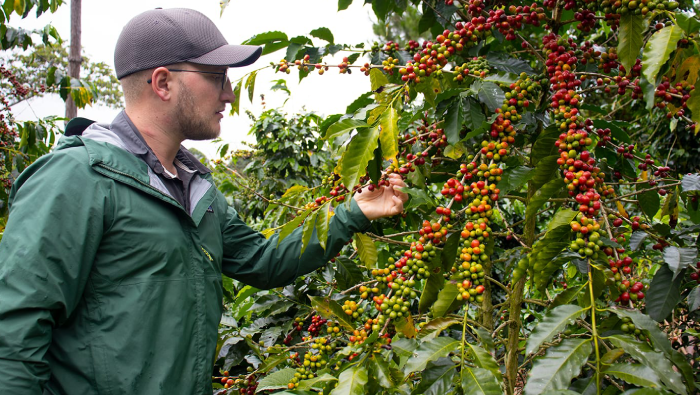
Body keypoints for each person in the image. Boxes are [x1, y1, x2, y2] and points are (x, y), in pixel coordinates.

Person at [0, 8, 407, 394]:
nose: (229, 94)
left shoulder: (196, 189)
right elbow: (14, 330)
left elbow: (264, 261)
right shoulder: (77, 178)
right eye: (216, 76)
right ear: (163, 83)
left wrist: (355, 212)